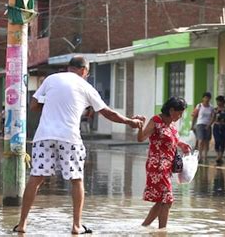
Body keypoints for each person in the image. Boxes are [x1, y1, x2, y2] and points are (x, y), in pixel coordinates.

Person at [13, 56, 144, 234]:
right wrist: (130, 122)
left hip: (44, 136)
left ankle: (22, 224)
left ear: (69, 67)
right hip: (69, 137)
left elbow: (34, 105)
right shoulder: (86, 86)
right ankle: (76, 226)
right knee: (76, 180)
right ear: (84, 71)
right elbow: (107, 113)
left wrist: (52, 104)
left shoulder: (51, 79)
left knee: (35, 178)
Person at [138, 97, 192, 229]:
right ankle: (162, 231)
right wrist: (140, 127)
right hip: (157, 166)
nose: (180, 116)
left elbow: (172, 140)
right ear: (171, 110)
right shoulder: (156, 121)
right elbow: (141, 138)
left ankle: (144, 227)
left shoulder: (172, 124)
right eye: (179, 113)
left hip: (168, 166)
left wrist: (181, 144)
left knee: (161, 201)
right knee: (167, 200)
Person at [210, 95, 225, 164]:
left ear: (223, 101)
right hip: (216, 126)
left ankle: (220, 156)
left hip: (224, 126)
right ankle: (218, 155)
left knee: (223, 141)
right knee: (217, 140)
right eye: (217, 101)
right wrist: (209, 125)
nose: (218, 103)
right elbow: (213, 118)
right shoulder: (215, 109)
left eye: (219, 101)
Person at [192, 92, 213, 162]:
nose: (207, 99)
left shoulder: (211, 107)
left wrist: (209, 125)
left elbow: (213, 117)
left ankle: (205, 156)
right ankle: (200, 156)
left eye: (208, 98)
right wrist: (192, 125)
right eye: (205, 97)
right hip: (200, 124)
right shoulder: (199, 106)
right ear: (203, 98)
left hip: (208, 125)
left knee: (206, 141)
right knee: (200, 140)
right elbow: (194, 116)